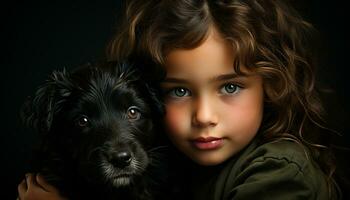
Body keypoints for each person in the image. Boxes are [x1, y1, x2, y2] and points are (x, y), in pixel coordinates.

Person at [18, 0, 342, 199]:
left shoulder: (281, 173)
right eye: (180, 91)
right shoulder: (181, 165)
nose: (203, 116)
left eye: (230, 87)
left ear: (272, 84)